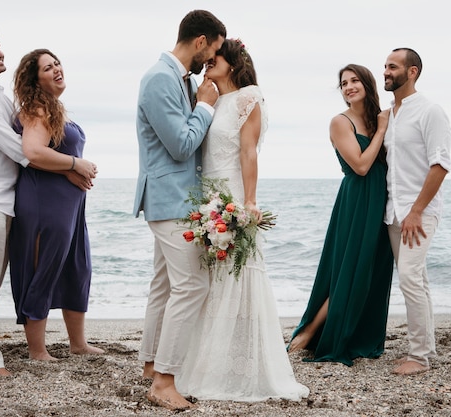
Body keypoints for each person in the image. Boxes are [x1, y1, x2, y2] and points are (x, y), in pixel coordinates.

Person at [175, 38, 309, 401]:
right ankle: (205, 360)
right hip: (206, 196)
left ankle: (242, 365)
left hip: (231, 194)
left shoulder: (249, 97)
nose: (207, 63)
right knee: (209, 281)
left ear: (231, 63)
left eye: (213, 59)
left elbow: (248, 152)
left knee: (237, 276)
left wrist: (249, 201)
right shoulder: (213, 99)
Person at [0, 26, 91, 376]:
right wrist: (70, 167)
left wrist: (63, 167)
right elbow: (22, 149)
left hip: (4, 199)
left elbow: (31, 146)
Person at [133, 10, 226, 411]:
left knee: (165, 286)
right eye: (214, 50)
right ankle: (165, 381)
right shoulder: (159, 78)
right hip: (170, 198)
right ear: (202, 40)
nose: (210, 61)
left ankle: (152, 364)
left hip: (178, 198)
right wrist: (205, 105)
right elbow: (180, 145)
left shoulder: (178, 79)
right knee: (193, 286)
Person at [287, 64, 394, 366]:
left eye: (354, 80)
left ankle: (358, 334)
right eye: (344, 83)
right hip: (357, 200)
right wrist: (382, 130)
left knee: (371, 270)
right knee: (349, 270)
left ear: (367, 83)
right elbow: (360, 166)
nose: (348, 86)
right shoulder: (340, 122)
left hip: (380, 201)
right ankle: (309, 333)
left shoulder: (377, 119)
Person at [8, 48, 102, 361]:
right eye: (48, 68)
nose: (57, 69)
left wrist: (69, 169)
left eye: (57, 63)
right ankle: (37, 351)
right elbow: (33, 152)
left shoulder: (53, 107)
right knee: (44, 269)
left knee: (77, 268)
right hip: (44, 204)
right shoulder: (38, 109)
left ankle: (78, 343)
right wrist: (75, 164)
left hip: (69, 206)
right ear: (35, 80)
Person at [382, 48, 451, 376]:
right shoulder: (390, 115)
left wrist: (416, 211)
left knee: (409, 277)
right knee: (417, 279)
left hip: (418, 213)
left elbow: (440, 165)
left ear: (412, 72)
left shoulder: (430, 111)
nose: (385, 71)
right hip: (393, 213)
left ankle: (419, 356)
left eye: (392, 67)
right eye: (384, 66)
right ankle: (428, 346)